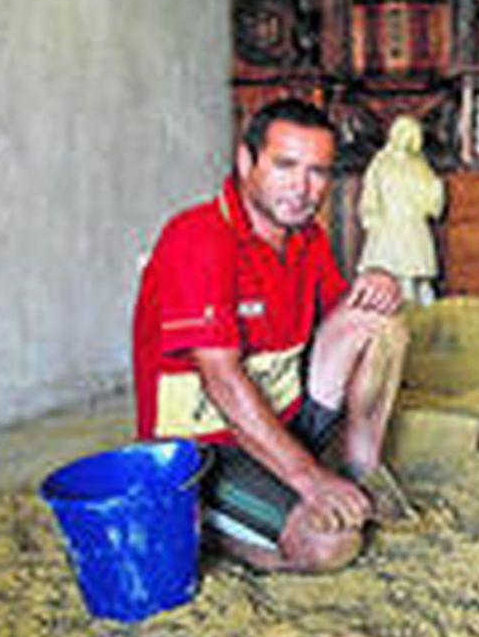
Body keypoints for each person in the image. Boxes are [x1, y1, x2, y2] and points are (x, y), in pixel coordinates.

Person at [133, 98, 412, 573]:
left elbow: (342, 325)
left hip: (284, 423)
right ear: (247, 161)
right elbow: (221, 379)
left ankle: (362, 470)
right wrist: (308, 480)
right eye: (286, 166)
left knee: (379, 321)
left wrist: (378, 280)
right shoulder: (197, 238)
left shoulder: (306, 237)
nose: (303, 189)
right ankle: (205, 521)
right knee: (331, 544)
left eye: (318, 171)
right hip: (210, 446)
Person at [357, 114, 445, 305]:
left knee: (418, 278)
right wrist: (371, 216)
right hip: (388, 228)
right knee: (390, 277)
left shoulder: (420, 165)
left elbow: (431, 202)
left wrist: (436, 190)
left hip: (413, 227)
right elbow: (370, 192)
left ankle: (424, 315)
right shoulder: (381, 162)